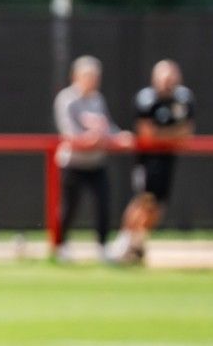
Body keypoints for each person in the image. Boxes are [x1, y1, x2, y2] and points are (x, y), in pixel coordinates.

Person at [112, 59, 196, 264]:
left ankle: (138, 243)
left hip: (168, 160)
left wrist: (164, 135)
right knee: (144, 200)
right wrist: (173, 135)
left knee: (158, 207)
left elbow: (188, 132)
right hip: (148, 160)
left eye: (172, 77)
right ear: (155, 78)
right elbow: (147, 134)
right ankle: (124, 242)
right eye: (164, 78)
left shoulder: (183, 98)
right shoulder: (147, 99)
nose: (168, 82)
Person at [53, 55, 129, 261]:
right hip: (73, 163)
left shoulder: (97, 99)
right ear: (76, 76)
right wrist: (94, 139)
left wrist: (118, 136)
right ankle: (61, 246)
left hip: (96, 162)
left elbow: (108, 128)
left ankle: (103, 247)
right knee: (69, 207)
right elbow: (69, 135)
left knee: (103, 203)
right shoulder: (67, 99)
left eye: (96, 76)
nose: (94, 80)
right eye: (89, 76)